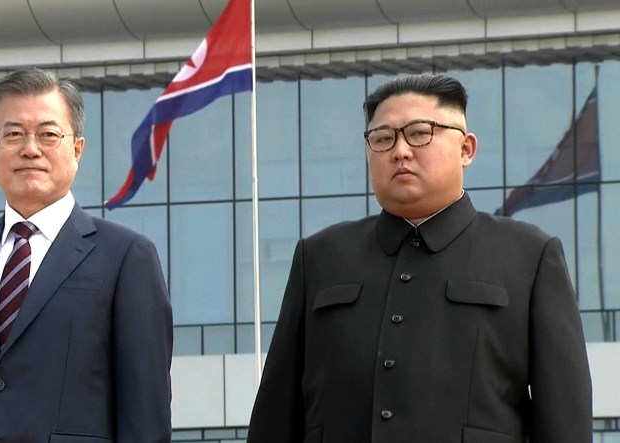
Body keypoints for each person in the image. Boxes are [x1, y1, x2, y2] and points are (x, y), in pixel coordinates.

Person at [247, 74, 592, 442]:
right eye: (382, 139)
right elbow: (275, 416)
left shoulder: (529, 257)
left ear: (467, 149)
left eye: (419, 133)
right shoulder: (319, 258)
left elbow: (564, 420)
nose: (400, 151)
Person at [0, 67, 173, 443]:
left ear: (77, 149)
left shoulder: (126, 258)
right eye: (12, 134)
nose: (30, 148)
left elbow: (145, 419)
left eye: (48, 134)